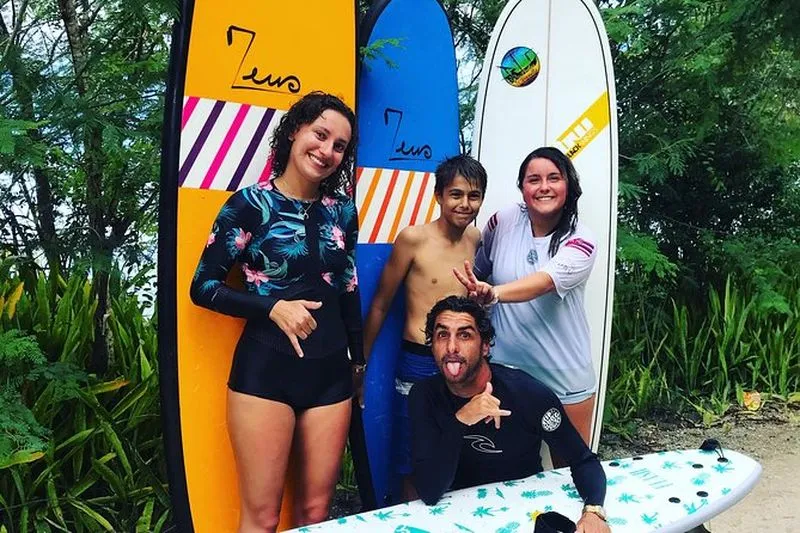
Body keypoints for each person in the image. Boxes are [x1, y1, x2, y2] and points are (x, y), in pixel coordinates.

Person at [189, 92, 364, 533]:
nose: (326, 151)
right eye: (320, 135)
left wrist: (357, 360)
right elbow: (203, 287)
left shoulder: (342, 211)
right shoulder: (250, 204)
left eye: (339, 146)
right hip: (265, 375)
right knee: (263, 519)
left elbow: (347, 287)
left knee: (315, 516)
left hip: (330, 376)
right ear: (293, 133)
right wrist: (272, 308)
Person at [409, 296, 609, 533]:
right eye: (443, 335)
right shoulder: (424, 395)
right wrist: (461, 420)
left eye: (464, 335)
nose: (452, 348)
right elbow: (430, 491)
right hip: (458, 514)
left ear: (485, 345)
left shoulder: (528, 394)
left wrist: (594, 511)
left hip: (523, 510)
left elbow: (582, 459)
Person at [361, 155, 487, 501]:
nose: (464, 204)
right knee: (412, 452)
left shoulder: (476, 239)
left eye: (473, 196)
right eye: (456, 194)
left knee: (464, 445)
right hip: (418, 361)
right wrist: (360, 363)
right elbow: (380, 304)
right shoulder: (413, 239)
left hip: (464, 362)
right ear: (439, 196)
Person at [454, 146, 598, 446]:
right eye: (534, 179)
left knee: (571, 467)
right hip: (505, 372)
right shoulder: (502, 221)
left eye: (554, 178)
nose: (544, 187)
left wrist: (494, 293)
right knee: (505, 465)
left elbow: (543, 282)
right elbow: (480, 272)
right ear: (522, 188)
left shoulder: (581, 240)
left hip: (564, 374)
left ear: (568, 185)